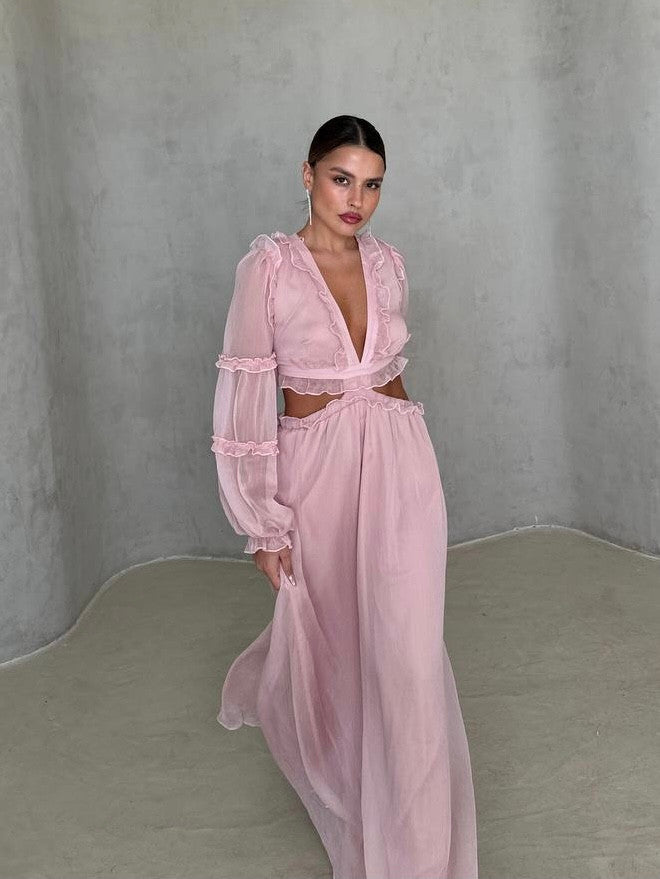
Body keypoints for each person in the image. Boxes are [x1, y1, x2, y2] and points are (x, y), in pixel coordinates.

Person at [211, 115, 478, 879]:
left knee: (410, 654)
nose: (356, 198)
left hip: (401, 464)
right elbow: (244, 399)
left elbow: (390, 375)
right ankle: (356, 800)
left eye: (372, 185)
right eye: (341, 179)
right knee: (340, 648)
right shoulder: (268, 269)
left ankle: (422, 855)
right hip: (318, 476)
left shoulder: (389, 265)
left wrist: (410, 461)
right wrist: (263, 522)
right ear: (308, 176)